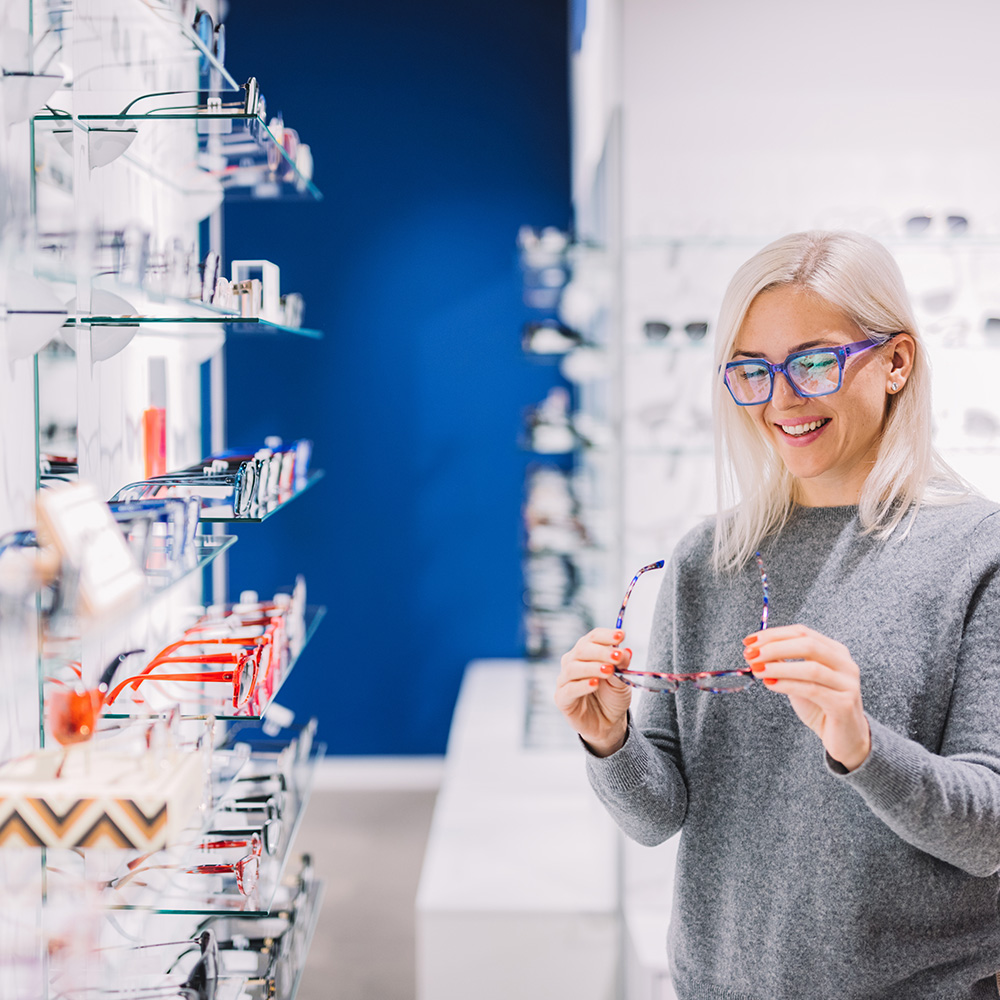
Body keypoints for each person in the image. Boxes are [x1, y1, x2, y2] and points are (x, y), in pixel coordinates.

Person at [555, 230, 1000, 1000]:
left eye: (816, 361)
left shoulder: (975, 553)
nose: (782, 399)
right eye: (753, 372)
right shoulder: (708, 558)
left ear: (897, 362)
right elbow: (657, 816)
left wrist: (861, 745)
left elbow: (987, 831)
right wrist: (610, 740)